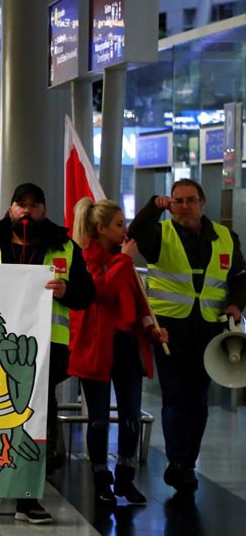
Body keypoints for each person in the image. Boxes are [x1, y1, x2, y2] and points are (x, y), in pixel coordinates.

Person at [0, 182, 95, 524]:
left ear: (44, 210)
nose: (27, 210)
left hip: (44, 352)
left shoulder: (65, 248)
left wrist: (67, 289)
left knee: (37, 421)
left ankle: (27, 498)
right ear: (10, 209)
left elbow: (86, 294)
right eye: (21, 204)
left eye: (34, 205)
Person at [127, 179, 246, 493]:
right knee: (175, 396)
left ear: (202, 203)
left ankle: (188, 462)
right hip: (169, 328)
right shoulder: (159, 234)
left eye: (190, 200)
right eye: (177, 201)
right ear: (170, 205)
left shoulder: (225, 237)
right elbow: (136, 231)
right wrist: (153, 206)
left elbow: (239, 277)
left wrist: (236, 304)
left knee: (198, 400)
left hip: (209, 329)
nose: (184, 206)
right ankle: (178, 462)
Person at [69, 197, 168, 506]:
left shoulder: (123, 261)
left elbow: (139, 304)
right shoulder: (86, 258)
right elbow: (102, 290)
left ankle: (125, 477)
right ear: (101, 228)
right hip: (97, 348)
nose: (125, 230)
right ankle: (101, 479)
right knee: (98, 418)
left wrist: (151, 329)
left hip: (127, 347)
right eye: (119, 225)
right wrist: (124, 260)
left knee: (130, 416)